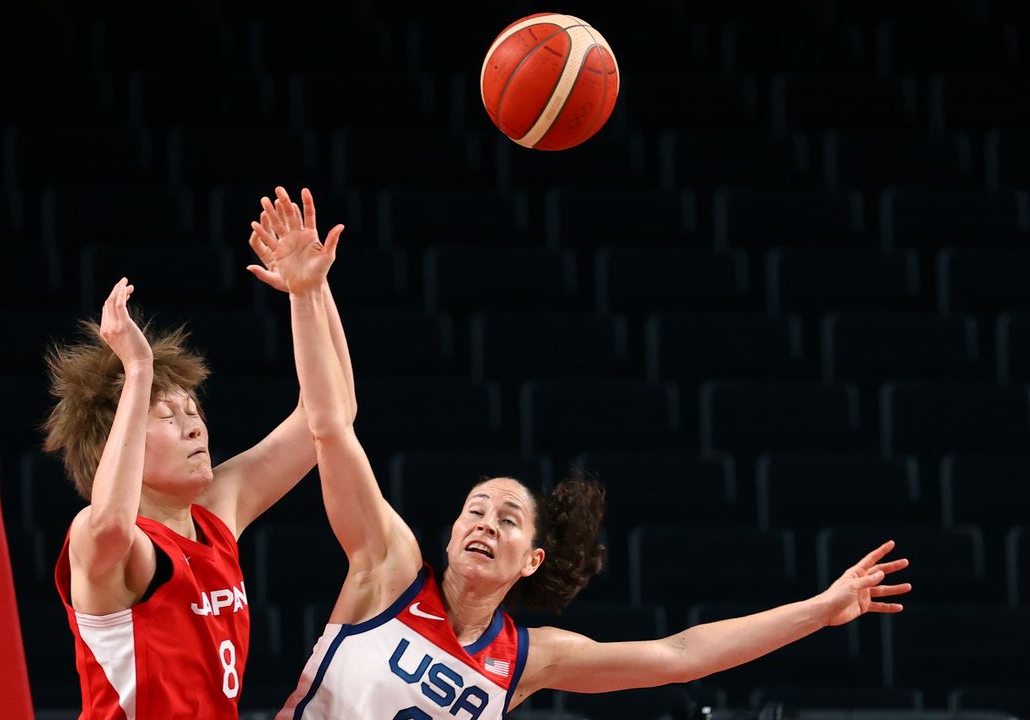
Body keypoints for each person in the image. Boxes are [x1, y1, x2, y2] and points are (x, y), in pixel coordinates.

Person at [254, 188, 913, 719]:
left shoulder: (526, 661)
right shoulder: (388, 569)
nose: (485, 522)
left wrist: (821, 611)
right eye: (477, 510)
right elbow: (331, 428)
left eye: (508, 518)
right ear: (451, 533)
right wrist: (310, 296)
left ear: (532, 559)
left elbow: (680, 655)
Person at [39, 187, 352, 718]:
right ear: (123, 445)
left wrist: (310, 293)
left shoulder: (216, 511)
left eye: (192, 411)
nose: (194, 428)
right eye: (167, 417)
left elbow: (332, 414)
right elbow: (110, 522)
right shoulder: (109, 547)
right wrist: (137, 370)